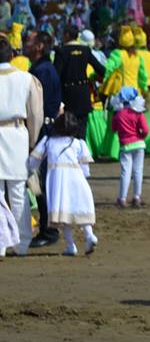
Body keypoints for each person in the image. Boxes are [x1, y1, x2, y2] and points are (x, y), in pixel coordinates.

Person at [27, 112, 98, 256]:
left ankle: (71, 245)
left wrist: (30, 172)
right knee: (81, 208)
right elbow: (85, 169)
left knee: (61, 214)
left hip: (57, 181)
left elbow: (33, 162)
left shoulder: (48, 141)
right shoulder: (78, 143)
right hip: (76, 178)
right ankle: (90, 235)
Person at [0, 36, 43, 257]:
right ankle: (22, 242)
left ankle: (1, 243)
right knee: (18, 192)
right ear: (11, 55)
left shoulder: (27, 78)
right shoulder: (26, 78)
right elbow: (35, 114)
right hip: (17, 134)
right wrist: (32, 141)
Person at [26, 29, 63, 247]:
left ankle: (48, 230)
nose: (25, 44)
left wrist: (32, 138)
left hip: (42, 130)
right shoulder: (43, 68)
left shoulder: (42, 71)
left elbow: (37, 108)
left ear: (39, 46)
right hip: (44, 129)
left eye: (29, 41)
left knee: (40, 182)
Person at [111, 86, 148, 208]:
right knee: (138, 171)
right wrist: (141, 136)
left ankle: (122, 198)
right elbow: (145, 130)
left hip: (125, 145)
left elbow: (113, 129)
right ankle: (137, 197)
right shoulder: (138, 113)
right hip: (139, 144)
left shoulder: (118, 114)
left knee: (125, 172)